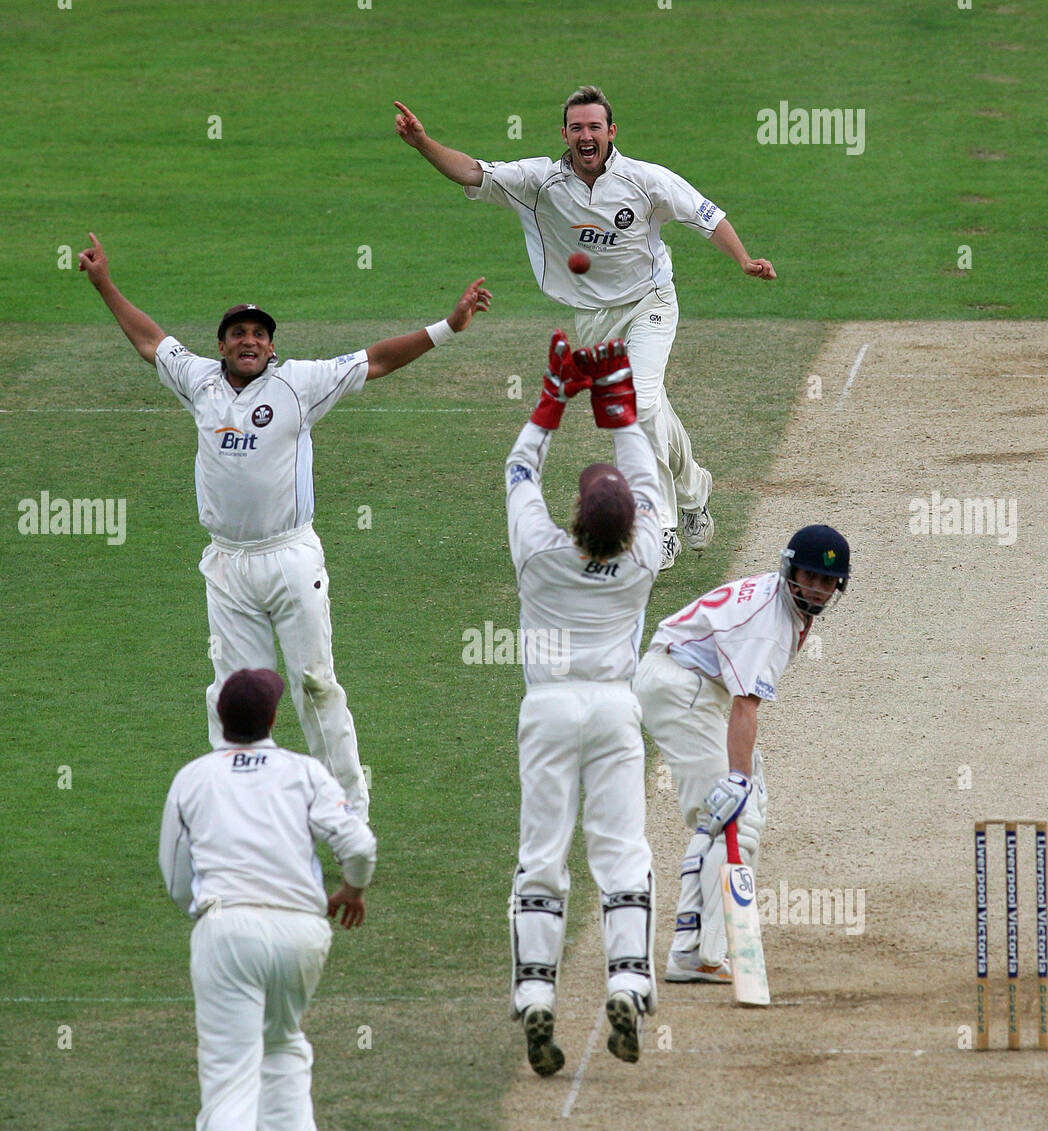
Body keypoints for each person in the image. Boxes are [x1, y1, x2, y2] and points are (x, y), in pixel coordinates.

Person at [79, 233, 491, 818]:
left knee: (316, 686)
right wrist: (104, 285)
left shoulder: (298, 384)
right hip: (227, 564)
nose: (249, 341)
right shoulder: (198, 381)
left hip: (291, 557)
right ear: (220, 347)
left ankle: (348, 814)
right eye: (238, 334)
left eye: (259, 334)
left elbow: (375, 359)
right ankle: (243, 817)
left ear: (271, 348)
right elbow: (150, 340)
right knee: (235, 697)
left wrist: (448, 326)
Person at [394, 84, 775, 570]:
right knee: (651, 408)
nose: (586, 135)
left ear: (611, 132)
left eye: (595, 126)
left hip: (650, 303)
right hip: (595, 320)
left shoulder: (644, 180)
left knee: (637, 403)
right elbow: (471, 171)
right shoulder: (539, 182)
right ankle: (695, 487)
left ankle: (658, 528)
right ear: (565, 134)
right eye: (577, 128)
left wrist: (743, 259)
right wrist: (424, 143)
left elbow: (705, 215)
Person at [159, 667, 377, 1131]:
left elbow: (177, 879)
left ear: (223, 721)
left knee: (229, 1078)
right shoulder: (304, 772)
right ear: (274, 720)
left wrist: (208, 914)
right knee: (282, 1041)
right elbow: (358, 844)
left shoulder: (192, 779)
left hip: (227, 929)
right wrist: (352, 890)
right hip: (302, 933)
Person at [505, 332, 661, 1074]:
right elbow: (644, 468)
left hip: (547, 709)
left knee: (542, 856)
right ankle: (628, 977)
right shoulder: (645, 558)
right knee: (621, 851)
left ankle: (537, 995)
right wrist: (616, 392)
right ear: (629, 525)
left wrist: (553, 394)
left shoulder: (540, 551)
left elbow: (517, 470)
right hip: (613, 707)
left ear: (576, 519)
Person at [632, 526, 851, 983]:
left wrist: (741, 781)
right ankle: (695, 953)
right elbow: (744, 706)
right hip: (681, 689)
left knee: (746, 807)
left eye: (827, 581)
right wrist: (735, 779)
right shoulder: (768, 628)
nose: (815, 588)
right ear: (789, 571)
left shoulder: (784, 605)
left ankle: (712, 937)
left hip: (692, 684)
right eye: (808, 576)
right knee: (731, 814)